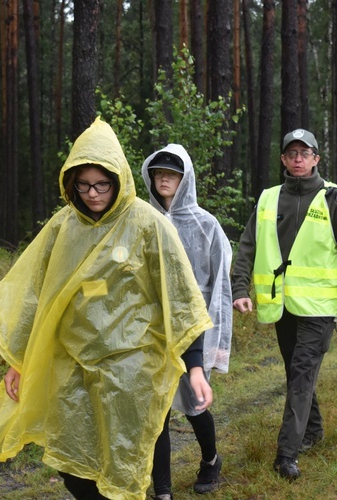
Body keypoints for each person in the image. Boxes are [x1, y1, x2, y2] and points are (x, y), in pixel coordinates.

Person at [0, 118, 214, 500]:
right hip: (72, 362)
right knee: (70, 458)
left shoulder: (147, 224)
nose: (92, 194)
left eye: (102, 184)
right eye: (83, 184)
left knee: (122, 457)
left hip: (130, 366)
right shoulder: (62, 227)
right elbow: (35, 297)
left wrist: (196, 365)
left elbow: (181, 297)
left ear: (119, 179)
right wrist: (18, 360)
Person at [231, 128, 337, 480]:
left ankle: (286, 454)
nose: (298, 158)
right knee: (296, 372)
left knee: (302, 376)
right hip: (282, 305)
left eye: (305, 153)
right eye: (292, 153)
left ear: (316, 158)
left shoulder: (334, 197)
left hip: (319, 309)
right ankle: (314, 430)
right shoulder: (269, 198)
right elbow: (248, 245)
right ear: (284, 160)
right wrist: (239, 287)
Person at [141, 145, 233, 497]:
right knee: (158, 410)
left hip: (194, 327)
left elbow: (219, 283)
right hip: (151, 329)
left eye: (172, 173)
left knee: (195, 403)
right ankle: (162, 490)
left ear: (185, 179)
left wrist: (214, 334)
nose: (164, 178)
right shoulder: (142, 220)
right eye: (158, 172)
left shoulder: (205, 224)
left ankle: (210, 460)